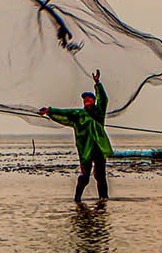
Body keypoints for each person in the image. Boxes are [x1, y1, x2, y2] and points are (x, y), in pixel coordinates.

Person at [41, 70, 110, 202]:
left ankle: (104, 200)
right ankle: (77, 200)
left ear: (94, 101)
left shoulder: (99, 112)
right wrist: (49, 110)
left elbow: (103, 99)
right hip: (85, 149)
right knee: (84, 176)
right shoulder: (78, 114)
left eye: (89, 98)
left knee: (100, 175)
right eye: (85, 99)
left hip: (98, 148)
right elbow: (65, 113)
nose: (86, 100)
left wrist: (97, 84)